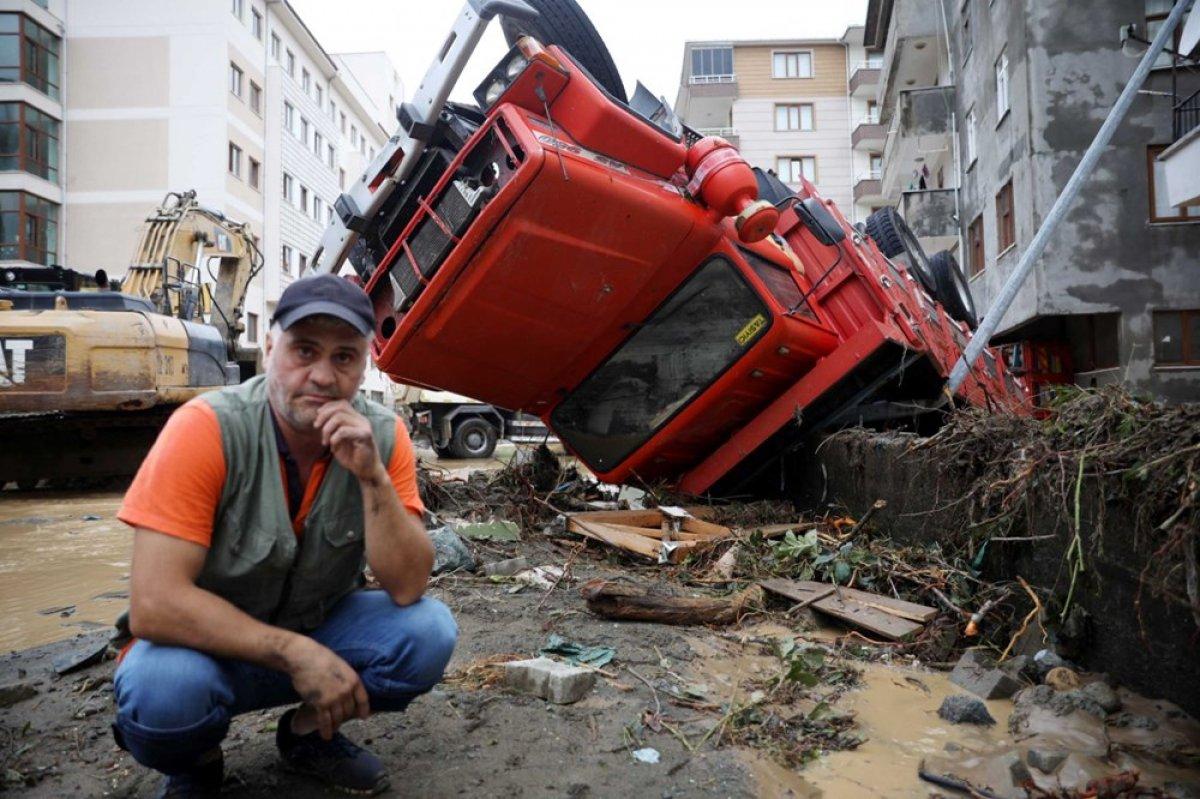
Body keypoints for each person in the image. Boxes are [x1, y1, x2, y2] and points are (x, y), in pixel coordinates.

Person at [111, 274, 456, 798]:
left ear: (364, 366)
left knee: (428, 633)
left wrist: (371, 477)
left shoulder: (383, 436)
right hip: (206, 651)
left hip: (316, 628)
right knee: (163, 692)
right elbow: (154, 604)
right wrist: (296, 654)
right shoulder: (205, 428)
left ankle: (308, 734)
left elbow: (408, 587)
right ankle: (196, 762)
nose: (322, 375)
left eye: (344, 357)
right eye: (304, 350)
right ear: (271, 349)